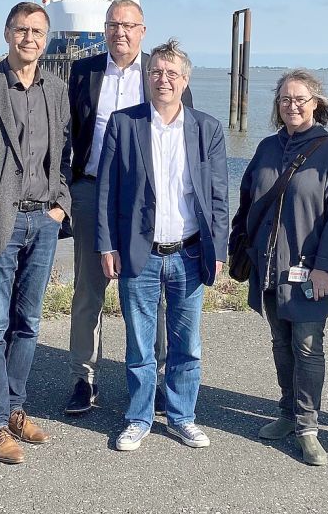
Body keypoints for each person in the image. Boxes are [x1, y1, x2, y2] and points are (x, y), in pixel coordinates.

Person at [96, 39, 228, 452]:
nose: (163, 79)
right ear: (147, 77)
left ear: (185, 80)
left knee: (187, 344)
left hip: (189, 252)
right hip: (140, 252)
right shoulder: (124, 123)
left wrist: (219, 250)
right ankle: (138, 418)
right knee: (140, 344)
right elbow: (106, 191)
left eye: (172, 73)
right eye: (156, 72)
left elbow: (219, 196)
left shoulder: (207, 128)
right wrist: (106, 246)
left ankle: (182, 416)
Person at [0, 1, 71, 464]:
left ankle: (16, 408)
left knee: (29, 323)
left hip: (43, 220)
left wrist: (61, 205)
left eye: (37, 32)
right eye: (22, 30)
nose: (29, 38)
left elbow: (63, 153)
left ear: (46, 39)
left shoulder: (55, 89)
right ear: (6, 34)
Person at [64, 0, 193, 415]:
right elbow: (67, 132)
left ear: (142, 30)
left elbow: (184, 141)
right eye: (113, 24)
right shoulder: (83, 72)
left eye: (129, 25)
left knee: (150, 291)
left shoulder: (161, 74)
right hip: (91, 190)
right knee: (89, 288)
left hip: (144, 199)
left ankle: (153, 378)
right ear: (104, 29)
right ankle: (84, 377)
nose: (120, 32)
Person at [229, 69, 328, 466]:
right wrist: (237, 247)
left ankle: (308, 427)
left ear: (316, 103)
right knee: (281, 343)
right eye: (285, 99)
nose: (292, 106)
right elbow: (247, 201)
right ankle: (286, 412)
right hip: (269, 267)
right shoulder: (267, 147)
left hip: (310, 269)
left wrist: (326, 267)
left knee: (307, 346)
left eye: (300, 99)